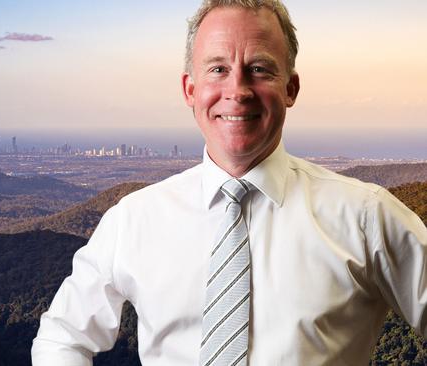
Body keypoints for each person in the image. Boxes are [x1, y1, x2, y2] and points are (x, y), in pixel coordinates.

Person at [32, 0, 427, 365]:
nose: (237, 91)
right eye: (218, 69)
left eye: (259, 69)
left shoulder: (366, 218)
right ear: (190, 89)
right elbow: (61, 338)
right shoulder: (133, 220)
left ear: (290, 88)